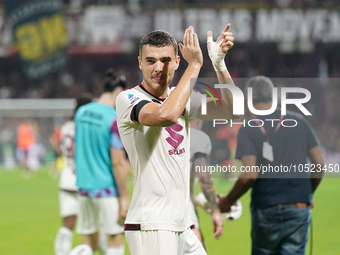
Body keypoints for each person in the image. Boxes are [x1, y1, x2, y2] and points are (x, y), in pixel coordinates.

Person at [116, 24, 237, 255]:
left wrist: (219, 65)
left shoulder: (181, 97)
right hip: (152, 224)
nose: (158, 68)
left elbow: (233, 110)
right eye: (150, 60)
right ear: (140, 63)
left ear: (177, 61)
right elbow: (166, 115)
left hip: (182, 225)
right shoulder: (128, 98)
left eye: (166, 60)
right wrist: (195, 65)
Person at [218, 76, 325, 255]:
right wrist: (307, 193)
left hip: (266, 208)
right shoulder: (299, 121)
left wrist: (227, 202)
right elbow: (319, 165)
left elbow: (249, 174)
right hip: (298, 208)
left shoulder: (248, 128)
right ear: (273, 97)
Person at [69, 69, 129, 255]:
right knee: (114, 237)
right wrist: (124, 197)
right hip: (107, 189)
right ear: (119, 92)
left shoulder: (81, 113)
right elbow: (117, 163)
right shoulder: (114, 119)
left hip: (84, 188)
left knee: (88, 240)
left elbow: (76, 149)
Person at [54, 93, 94, 255]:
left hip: (66, 177)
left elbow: (61, 147)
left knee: (67, 226)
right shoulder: (86, 124)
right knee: (92, 227)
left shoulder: (66, 126)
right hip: (84, 178)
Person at [189, 120, 223, 248]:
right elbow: (203, 174)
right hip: (182, 207)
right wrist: (215, 209)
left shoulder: (159, 131)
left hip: (149, 208)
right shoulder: (197, 137)